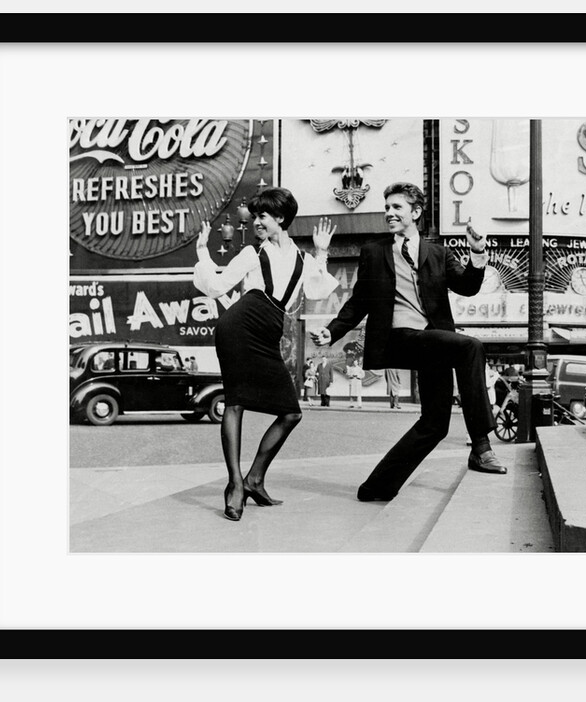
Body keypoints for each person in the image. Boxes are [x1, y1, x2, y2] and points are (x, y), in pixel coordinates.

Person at [311, 182, 506, 503]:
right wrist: (332, 331)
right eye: (387, 207)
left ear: (415, 212)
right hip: (398, 338)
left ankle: (377, 487)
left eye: (396, 207)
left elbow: (468, 287)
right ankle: (481, 447)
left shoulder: (438, 253)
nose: (389, 213)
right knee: (469, 346)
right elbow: (359, 301)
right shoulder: (374, 251)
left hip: (431, 341)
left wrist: (477, 252)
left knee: (435, 424)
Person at [193, 187, 338, 521]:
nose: (256, 222)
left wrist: (322, 252)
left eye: (262, 216)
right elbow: (216, 286)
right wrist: (202, 251)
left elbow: (317, 291)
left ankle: (254, 479)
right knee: (235, 402)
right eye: (254, 216)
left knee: (291, 413)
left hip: (268, 333)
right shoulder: (251, 253)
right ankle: (235, 485)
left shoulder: (304, 259)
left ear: (281, 218)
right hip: (238, 326)